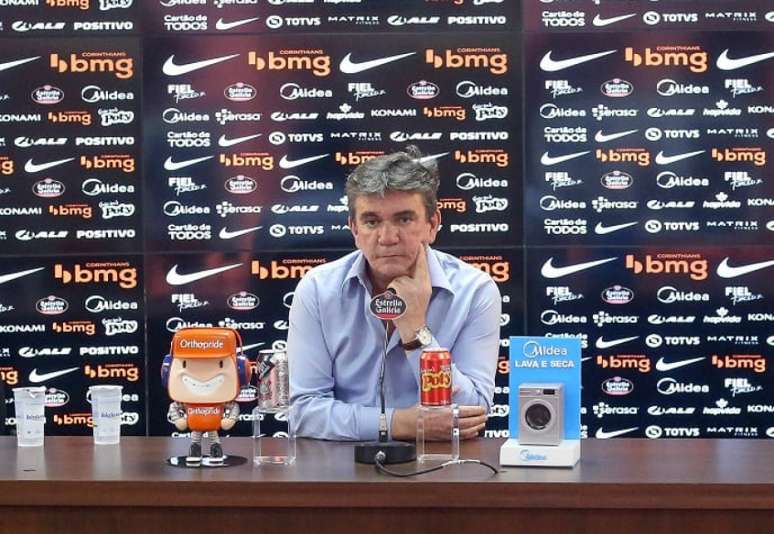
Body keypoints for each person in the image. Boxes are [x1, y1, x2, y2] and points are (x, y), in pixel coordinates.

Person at [287, 146, 501, 441]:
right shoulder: (318, 289)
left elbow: (472, 412)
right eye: (372, 221)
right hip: (342, 471)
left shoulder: (475, 291)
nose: (387, 238)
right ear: (354, 228)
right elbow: (303, 413)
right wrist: (398, 424)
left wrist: (415, 330)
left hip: (439, 471)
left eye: (404, 219)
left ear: (432, 224)